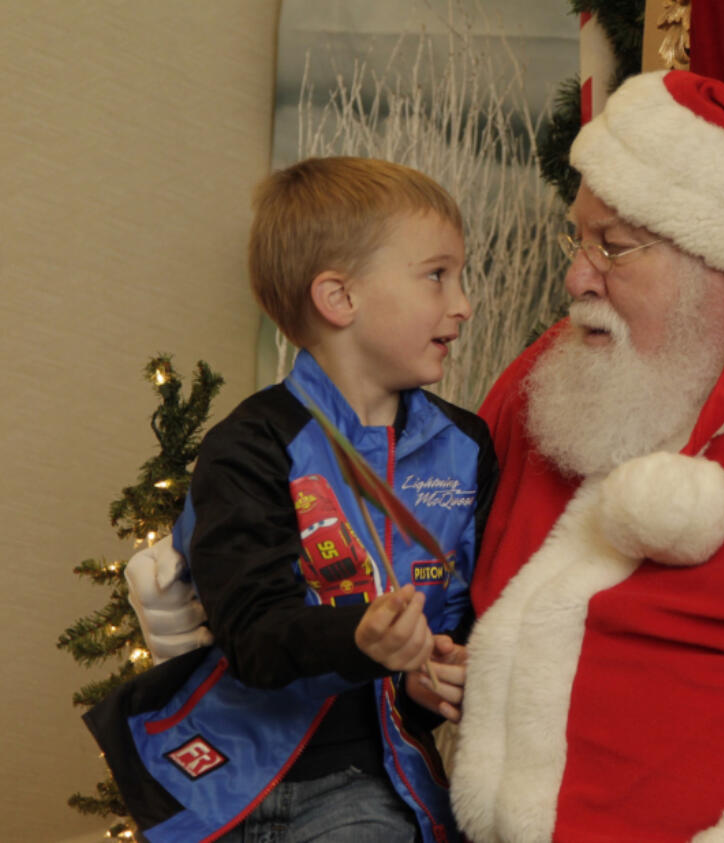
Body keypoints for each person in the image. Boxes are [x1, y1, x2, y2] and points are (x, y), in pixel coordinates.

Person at [130, 71, 724, 842]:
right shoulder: (560, 373)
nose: (575, 277)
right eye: (580, 239)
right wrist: (225, 612)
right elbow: (425, 577)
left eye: (614, 246)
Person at [87, 157, 497, 843]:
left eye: (461, 276)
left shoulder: (467, 445)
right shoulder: (250, 447)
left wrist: (432, 679)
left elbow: (465, 622)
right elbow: (253, 637)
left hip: (378, 776)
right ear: (339, 299)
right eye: (436, 275)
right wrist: (360, 635)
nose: (463, 303)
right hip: (235, 772)